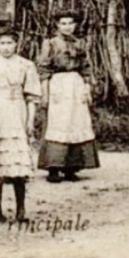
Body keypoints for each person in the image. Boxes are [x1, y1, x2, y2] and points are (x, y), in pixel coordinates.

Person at [0, 29, 41, 223]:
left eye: (9, 43)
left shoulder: (26, 65)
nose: (6, 48)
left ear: (16, 44)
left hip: (18, 112)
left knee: (18, 163)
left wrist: (30, 121)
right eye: (2, 44)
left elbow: (32, 97)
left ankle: (21, 210)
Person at [36, 10, 99, 182]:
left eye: (70, 23)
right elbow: (44, 68)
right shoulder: (50, 43)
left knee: (76, 122)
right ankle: (54, 167)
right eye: (63, 23)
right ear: (57, 25)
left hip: (76, 84)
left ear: (75, 25)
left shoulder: (80, 43)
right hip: (58, 83)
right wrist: (45, 92)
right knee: (58, 123)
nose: (67, 27)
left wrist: (87, 87)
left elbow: (86, 67)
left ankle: (71, 167)